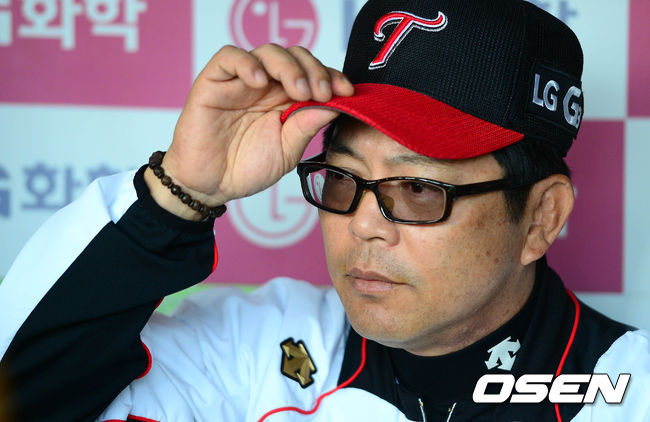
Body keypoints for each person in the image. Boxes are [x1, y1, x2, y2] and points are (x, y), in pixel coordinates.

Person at [1, 0, 649, 421]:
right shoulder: (258, 348)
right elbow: (24, 396)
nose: (362, 224)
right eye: (342, 178)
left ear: (540, 218)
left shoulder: (631, 389)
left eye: (418, 189)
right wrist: (177, 196)